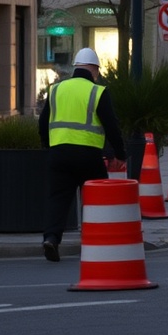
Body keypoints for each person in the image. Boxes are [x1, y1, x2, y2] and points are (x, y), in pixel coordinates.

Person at [39, 47, 126, 262]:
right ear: (94, 69)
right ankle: (99, 240)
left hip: (59, 154)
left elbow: (43, 123)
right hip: (89, 156)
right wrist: (120, 154)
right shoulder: (98, 92)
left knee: (58, 199)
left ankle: (51, 238)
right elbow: (111, 126)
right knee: (97, 199)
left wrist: (48, 147)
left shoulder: (56, 89)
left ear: (76, 67)